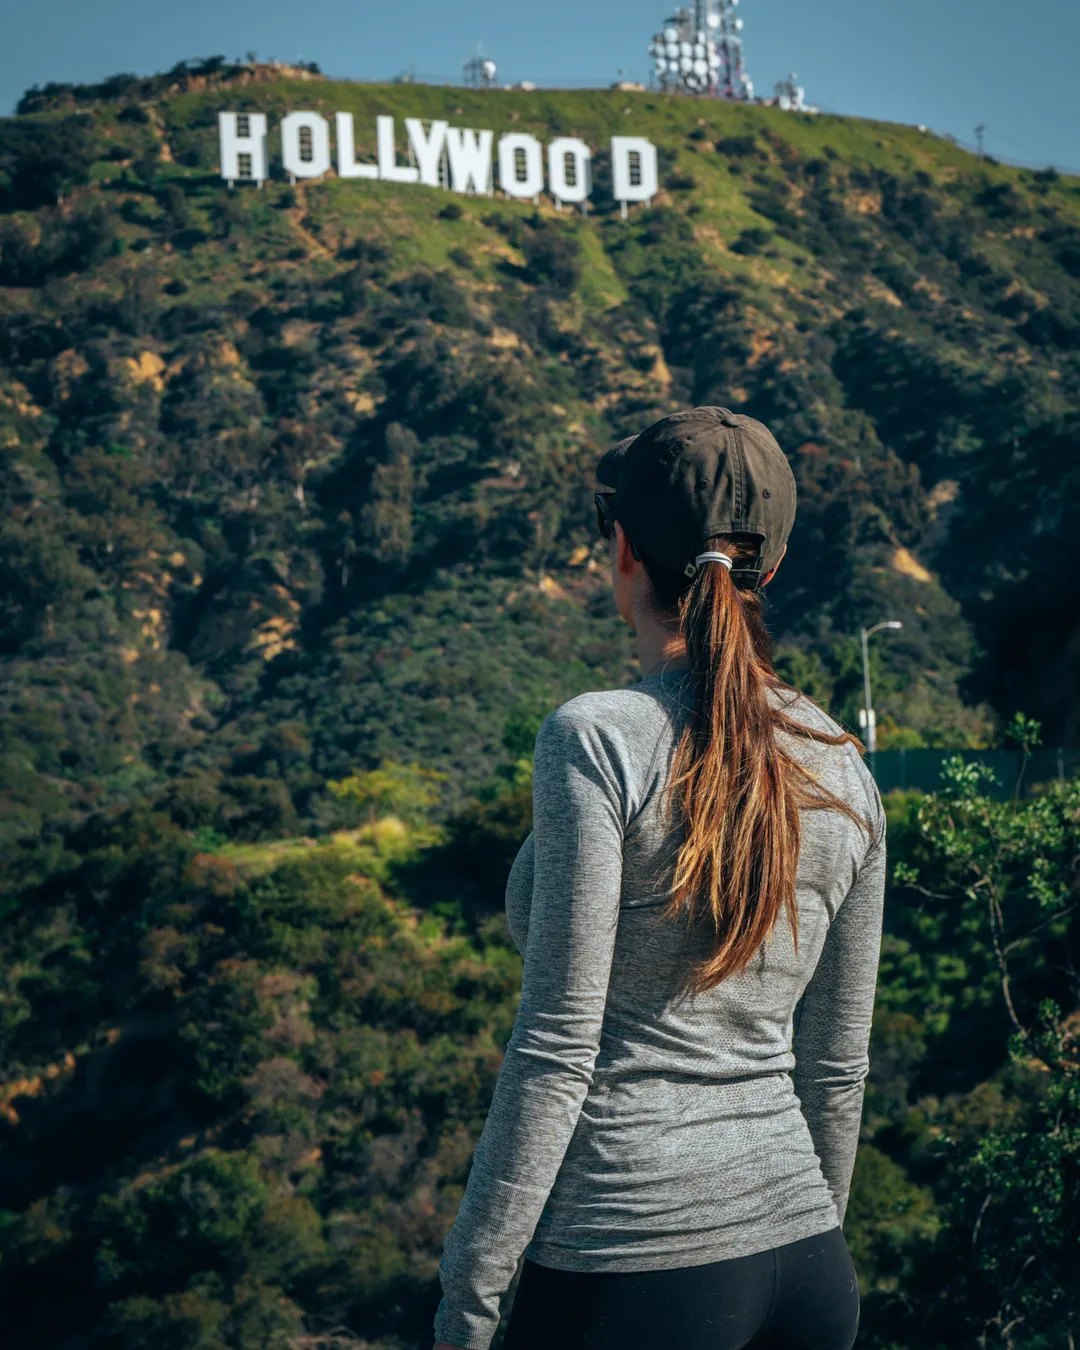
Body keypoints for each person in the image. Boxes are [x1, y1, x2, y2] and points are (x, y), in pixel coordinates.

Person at [431, 407, 886, 1350]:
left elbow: (558, 1047)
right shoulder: (842, 764)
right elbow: (837, 1066)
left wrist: (470, 1303)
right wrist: (804, 1232)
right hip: (806, 1267)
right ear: (777, 566)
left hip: (631, 1258)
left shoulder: (596, 740)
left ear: (623, 550)